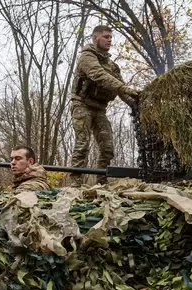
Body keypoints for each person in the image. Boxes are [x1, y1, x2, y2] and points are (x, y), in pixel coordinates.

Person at [70, 25, 140, 186]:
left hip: (100, 109)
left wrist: (134, 103)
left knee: (108, 148)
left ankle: (101, 182)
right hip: (82, 104)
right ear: (95, 38)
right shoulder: (87, 57)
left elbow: (121, 89)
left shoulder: (112, 66)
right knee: (82, 144)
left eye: (110, 37)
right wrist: (123, 88)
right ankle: (75, 183)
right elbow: (97, 74)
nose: (109, 40)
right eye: (106, 37)